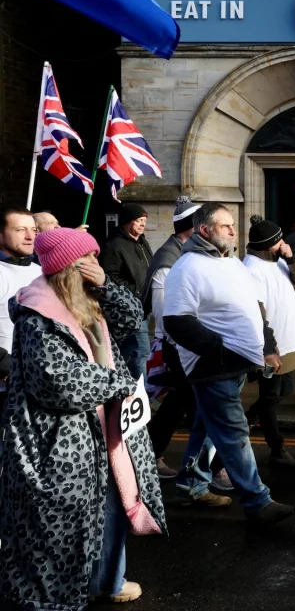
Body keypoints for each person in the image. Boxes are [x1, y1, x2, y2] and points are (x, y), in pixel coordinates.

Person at [0, 228, 165, 608]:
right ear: (65, 270)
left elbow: (131, 315)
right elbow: (58, 382)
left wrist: (106, 283)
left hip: (96, 435)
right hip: (56, 444)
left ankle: (104, 582)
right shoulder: (37, 311)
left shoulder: (87, 299)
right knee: (56, 533)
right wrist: (118, 382)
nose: (93, 265)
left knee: (110, 510)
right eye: (85, 261)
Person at [163, 202, 294, 524]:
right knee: (233, 431)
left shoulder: (232, 263)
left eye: (233, 225)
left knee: (207, 427)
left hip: (238, 364)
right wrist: (219, 350)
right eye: (226, 226)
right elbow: (176, 321)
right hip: (212, 368)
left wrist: (267, 346)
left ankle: (190, 485)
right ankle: (257, 501)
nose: (234, 232)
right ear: (205, 230)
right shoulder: (188, 267)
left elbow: (255, 308)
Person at [140, 197, 232, 491]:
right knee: (202, 409)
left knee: (182, 406)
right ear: (196, 229)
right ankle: (214, 471)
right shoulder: (169, 262)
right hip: (181, 351)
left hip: (191, 349)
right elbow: (167, 319)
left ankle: (152, 456)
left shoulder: (191, 256)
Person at [244, 215, 295, 470]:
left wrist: (292, 257)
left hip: (290, 343)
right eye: (278, 240)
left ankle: (249, 418)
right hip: (274, 349)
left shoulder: (276, 261)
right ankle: (277, 448)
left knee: (285, 390)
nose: (283, 242)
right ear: (266, 244)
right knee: (270, 397)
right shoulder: (251, 269)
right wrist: (267, 349)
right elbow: (257, 314)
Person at [100, 203, 154, 380]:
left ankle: (126, 387)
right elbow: (110, 276)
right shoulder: (114, 245)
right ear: (127, 222)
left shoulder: (142, 242)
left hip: (144, 306)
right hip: (128, 308)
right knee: (140, 351)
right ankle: (140, 393)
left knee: (134, 351)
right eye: (138, 220)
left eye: (144, 220)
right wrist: (136, 293)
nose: (142, 224)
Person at [0, 208, 41, 404]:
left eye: (33, 230)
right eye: (20, 230)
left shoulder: (41, 272)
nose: (29, 236)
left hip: (36, 383)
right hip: (5, 385)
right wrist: (6, 365)